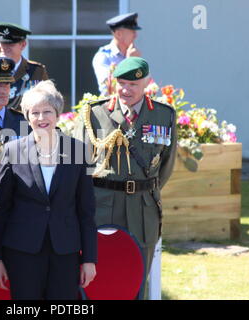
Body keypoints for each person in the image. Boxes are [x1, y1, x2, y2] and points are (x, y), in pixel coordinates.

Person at [74, 57, 177, 299]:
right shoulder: (95, 113)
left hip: (143, 210)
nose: (126, 90)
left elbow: (166, 166)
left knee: (136, 280)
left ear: (147, 83)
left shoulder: (164, 116)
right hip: (102, 206)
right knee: (95, 277)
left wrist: (142, 189)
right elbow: (78, 166)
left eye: (133, 84)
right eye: (121, 83)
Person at [0, 80, 97, 300]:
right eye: (35, 113)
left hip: (65, 251)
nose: (41, 118)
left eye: (47, 112)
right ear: (27, 117)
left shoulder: (78, 150)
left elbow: (86, 211)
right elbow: (2, 209)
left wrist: (89, 259)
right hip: (22, 251)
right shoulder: (12, 151)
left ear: (57, 115)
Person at [92, 12, 142, 96]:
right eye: (132, 31)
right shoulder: (103, 56)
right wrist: (129, 63)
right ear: (119, 34)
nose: (135, 35)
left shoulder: (133, 55)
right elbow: (109, 89)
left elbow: (146, 86)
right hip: (112, 107)